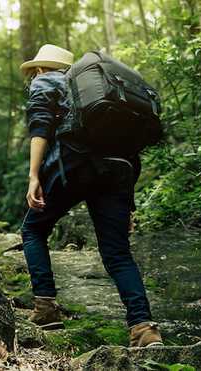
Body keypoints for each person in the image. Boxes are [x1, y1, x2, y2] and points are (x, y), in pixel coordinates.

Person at [19, 44, 163, 347]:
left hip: (76, 163)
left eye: (34, 71)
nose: (33, 76)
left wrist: (34, 176)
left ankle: (46, 309)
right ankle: (144, 327)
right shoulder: (101, 88)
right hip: (119, 169)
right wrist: (129, 206)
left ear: (41, 68)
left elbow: (40, 129)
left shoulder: (47, 81)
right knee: (117, 252)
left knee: (33, 228)